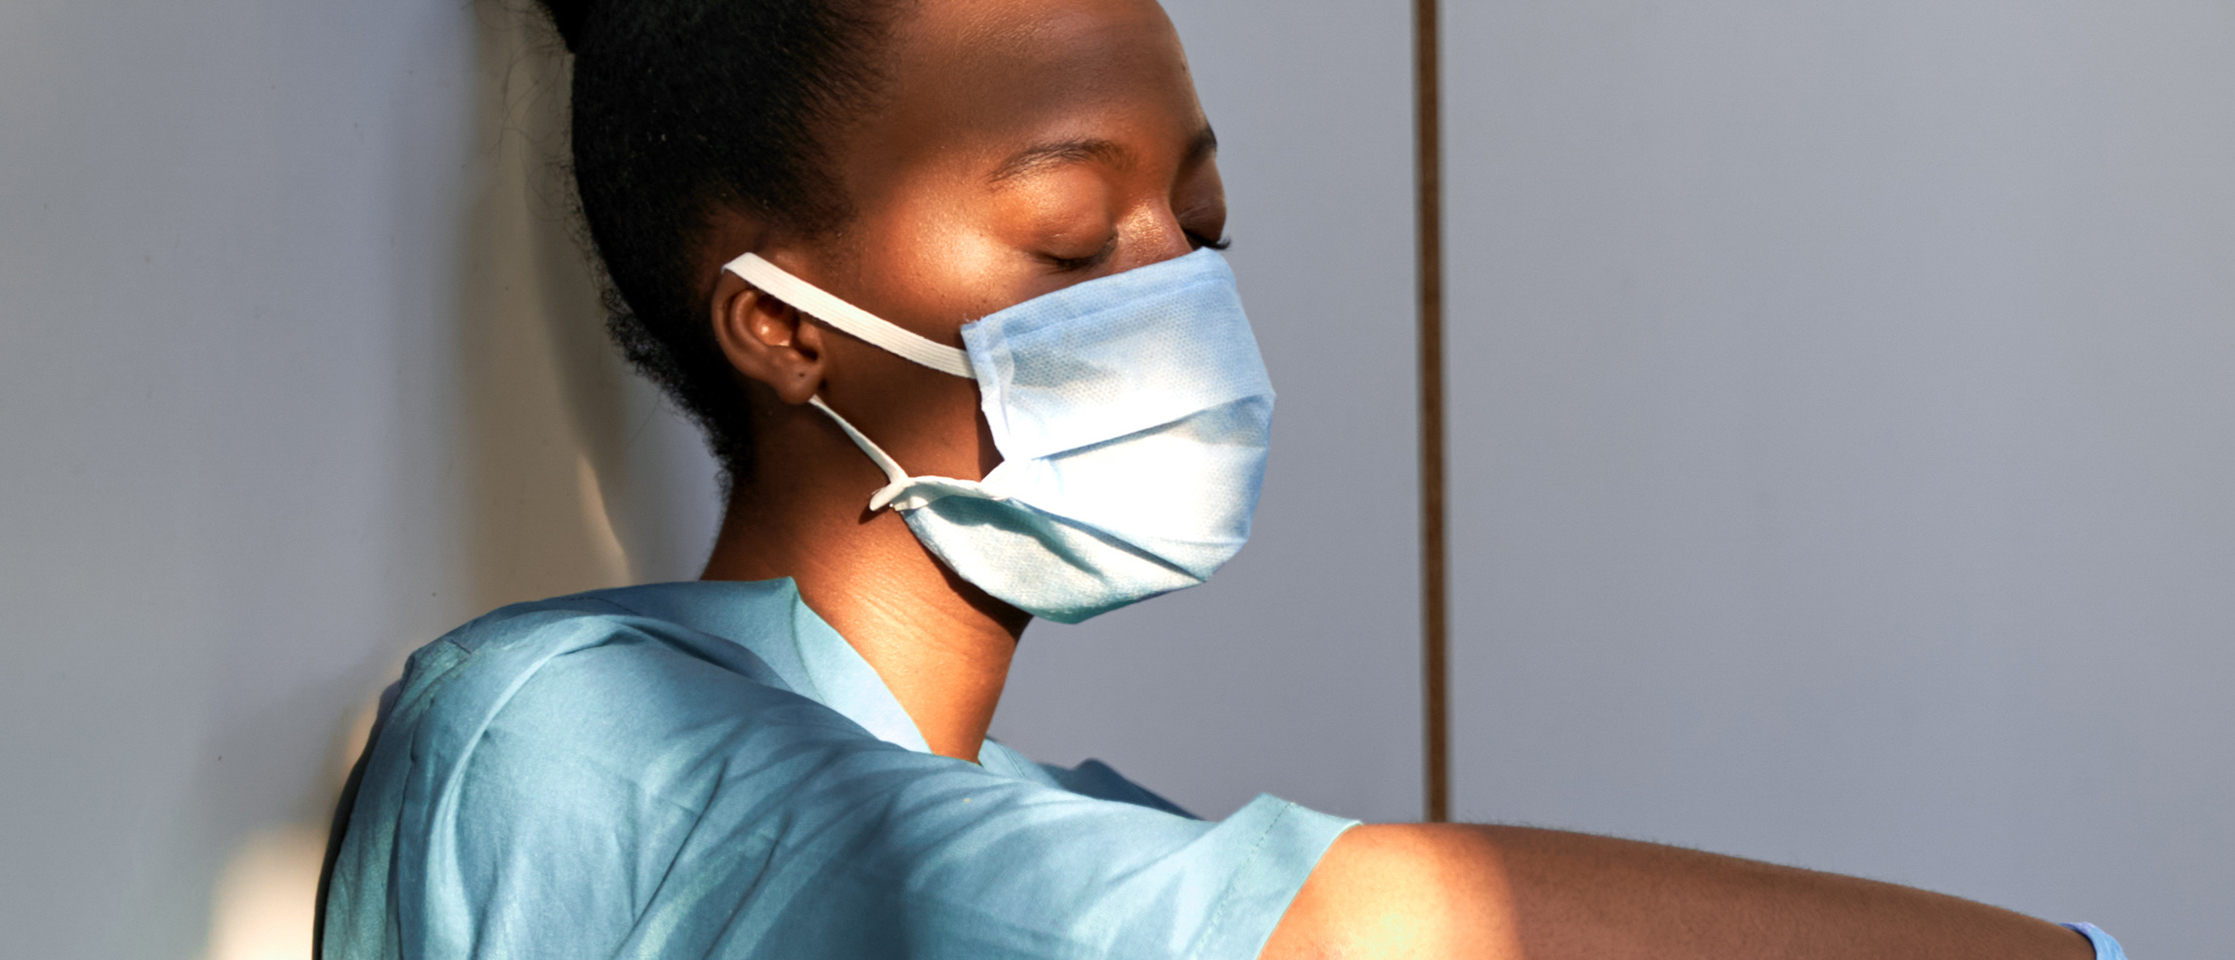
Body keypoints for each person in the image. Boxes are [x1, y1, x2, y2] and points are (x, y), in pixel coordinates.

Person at [314, 0, 2128, 957]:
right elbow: (1362, 938)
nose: (1177, 288)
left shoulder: (1085, 822)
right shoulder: (565, 733)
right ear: (785, 328)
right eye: (1066, 239)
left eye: (1199, 219)